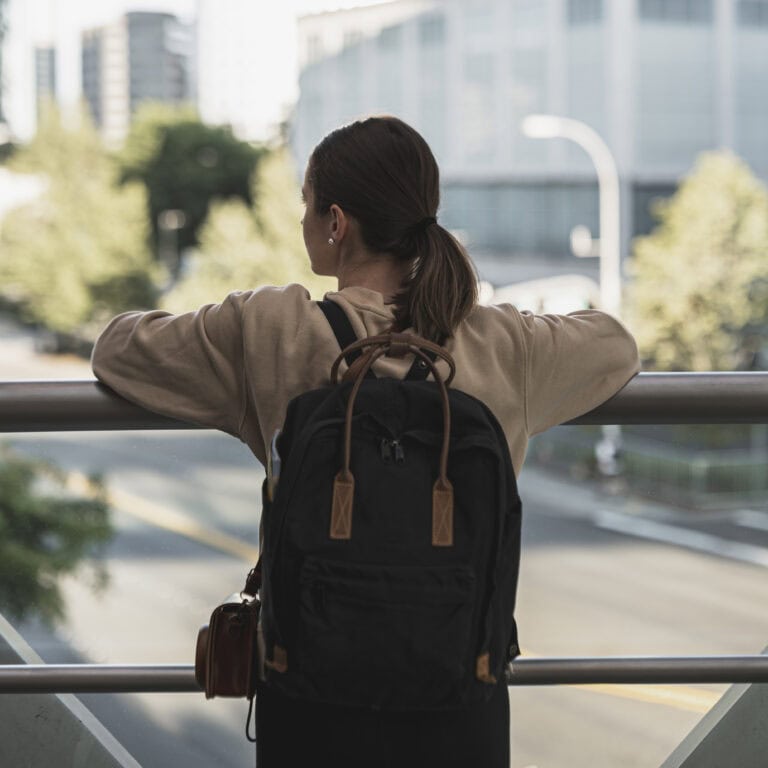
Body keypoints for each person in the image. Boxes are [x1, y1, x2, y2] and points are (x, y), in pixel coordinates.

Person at [92, 115, 640, 767]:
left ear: (335, 223)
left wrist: (232, 315)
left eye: (306, 205)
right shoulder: (504, 344)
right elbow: (615, 344)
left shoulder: (269, 327)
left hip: (314, 703)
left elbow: (118, 350)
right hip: (459, 701)